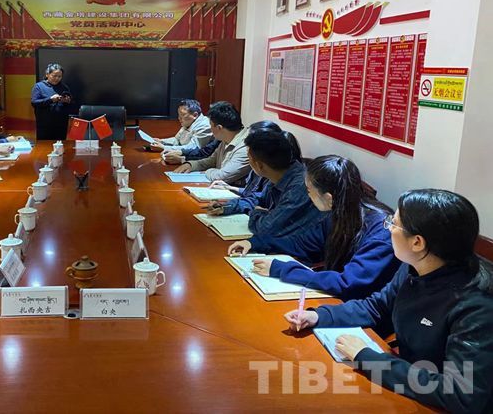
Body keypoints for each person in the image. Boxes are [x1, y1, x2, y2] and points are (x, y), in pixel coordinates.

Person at [285, 190, 493, 413]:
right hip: (412, 389)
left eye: (393, 224)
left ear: (417, 242)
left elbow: (462, 394)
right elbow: (377, 307)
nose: (388, 229)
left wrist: (367, 358)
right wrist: (318, 316)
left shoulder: (476, 305)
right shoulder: (415, 266)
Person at [228, 155, 400, 300]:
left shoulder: (382, 230)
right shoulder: (340, 212)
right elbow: (303, 245)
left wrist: (282, 269)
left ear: (329, 198)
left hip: (361, 309)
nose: (307, 195)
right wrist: (256, 243)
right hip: (338, 298)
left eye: (309, 190)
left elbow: (347, 282)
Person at [207, 129, 323, 238]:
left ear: (259, 165)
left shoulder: (300, 185)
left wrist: (257, 212)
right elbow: (256, 199)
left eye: (249, 158)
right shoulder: (278, 173)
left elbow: (266, 228)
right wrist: (227, 207)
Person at [173, 101, 250, 186]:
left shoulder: (245, 146)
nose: (210, 129)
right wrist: (191, 165)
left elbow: (222, 176)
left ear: (219, 128)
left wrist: (207, 171)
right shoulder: (226, 139)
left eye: (211, 125)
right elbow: (211, 161)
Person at [31, 63, 74, 140]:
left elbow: (71, 104)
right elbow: (34, 102)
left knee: (61, 145)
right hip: (44, 125)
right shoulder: (39, 86)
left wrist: (67, 101)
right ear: (47, 74)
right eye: (54, 76)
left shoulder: (64, 87)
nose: (57, 78)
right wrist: (51, 99)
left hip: (61, 124)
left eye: (59, 76)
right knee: (44, 146)